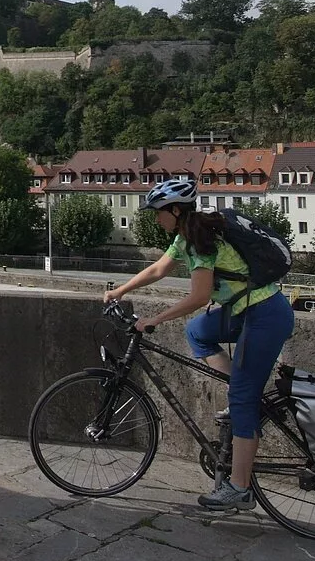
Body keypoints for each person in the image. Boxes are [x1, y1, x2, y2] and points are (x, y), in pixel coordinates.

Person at [102, 178, 295, 511]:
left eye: (158, 212)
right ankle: (242, 391)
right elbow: (159, 268)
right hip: (244, 310)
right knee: (197, 332)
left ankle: (239, 488)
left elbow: (200, 296)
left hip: (264, 316)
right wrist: (121, 291)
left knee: (242, 402)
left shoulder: (200, 241)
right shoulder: (186, 236)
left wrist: (155, 319)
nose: (155, 218)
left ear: (176, 211)